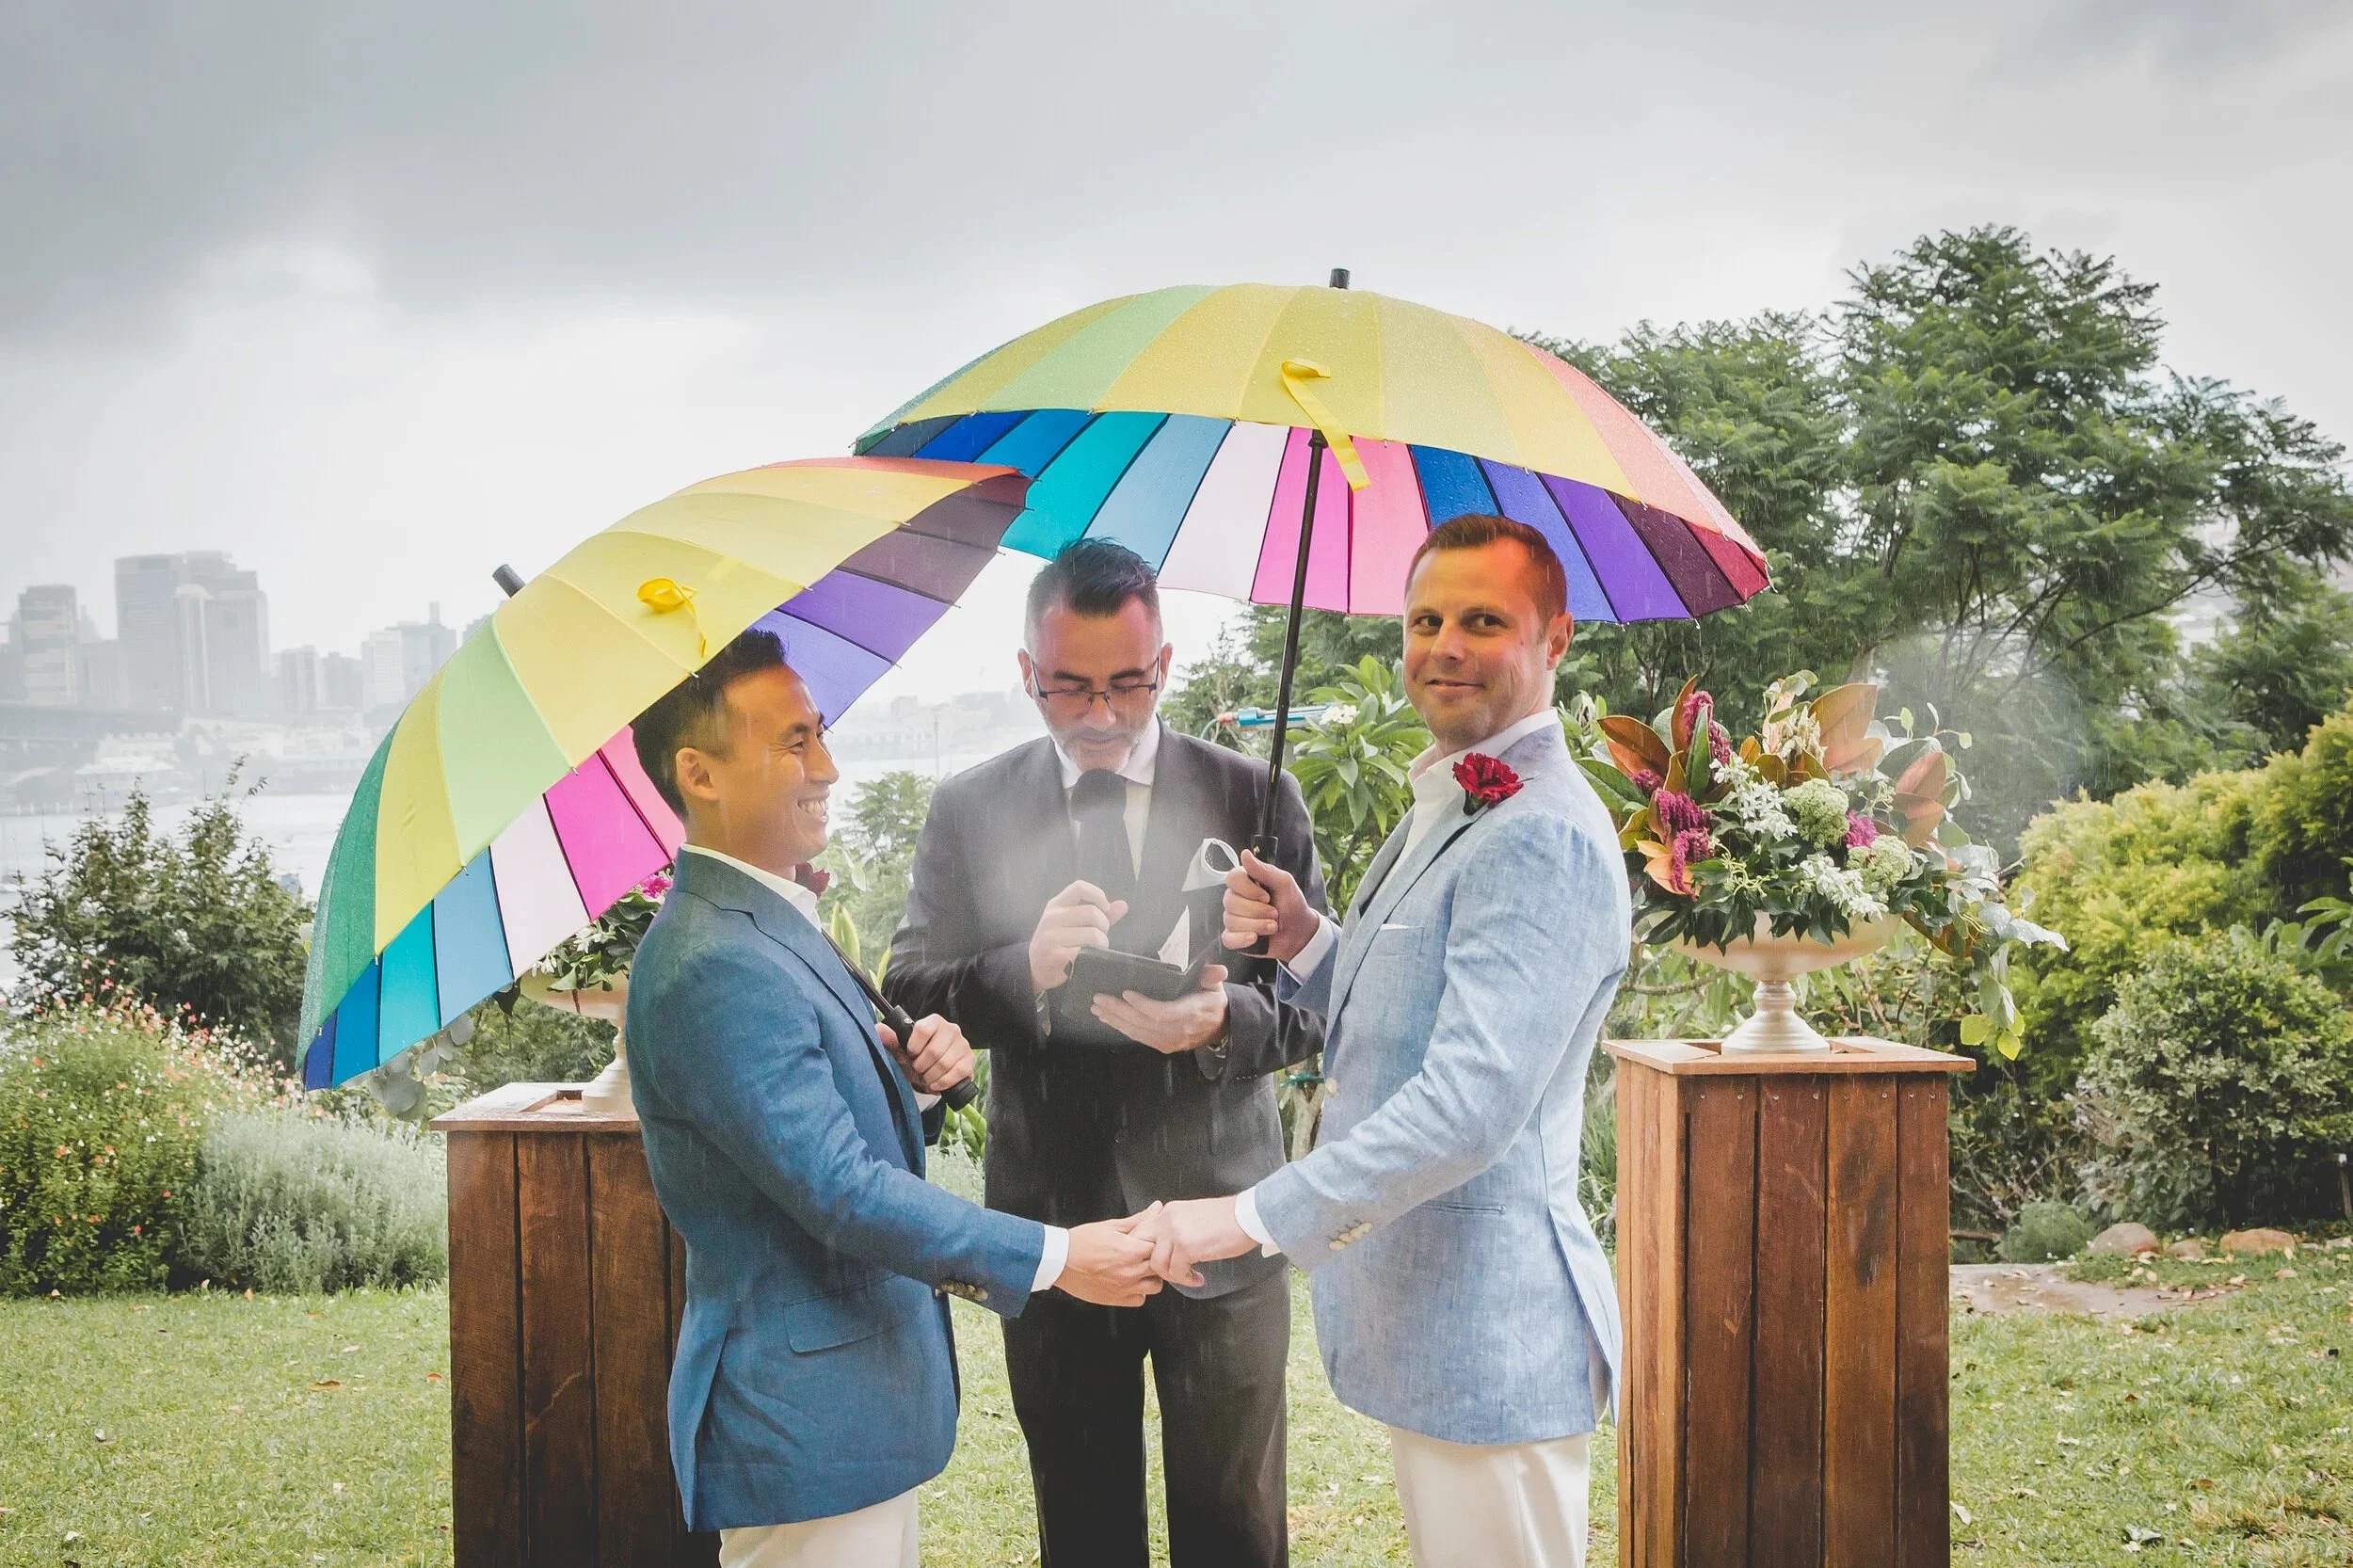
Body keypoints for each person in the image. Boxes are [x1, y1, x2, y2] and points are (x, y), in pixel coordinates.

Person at [1140, 514, 1629, 1568]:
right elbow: (1422, 988)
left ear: (1556, 639)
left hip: (1492, 1334)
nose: (1444, 643)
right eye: (1425, 618)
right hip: (1440, 1330)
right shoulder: (1454, 796)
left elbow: (1468, 1104)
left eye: (1483, 619)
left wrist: (1247, 1216)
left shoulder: (1537, 829)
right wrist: (1307, 937)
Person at [622, 628, 1163, 1568]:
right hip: (801, 1421)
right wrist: (1058, 1255)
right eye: (792, 742)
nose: (827, 766)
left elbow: (790, 1141)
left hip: (845, 1411)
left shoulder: (765, 918)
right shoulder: (714, 963)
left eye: (820, 731)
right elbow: (835, 1191)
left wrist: (907, 1091)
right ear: (699, 775)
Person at [884, 539, 1328, 1568]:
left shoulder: (1252, 795)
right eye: (1070, 688)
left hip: (1222, 1224)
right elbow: (910, 987)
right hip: (1054, 1227)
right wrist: (1020, 968)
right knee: (1081, 1529)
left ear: (1165, 666)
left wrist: (1223, 1025)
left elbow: (1316, 1003)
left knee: (1236, 1534)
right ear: (1027, 674)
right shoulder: (968, 807)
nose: (1100, 714)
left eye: (1127, 684)